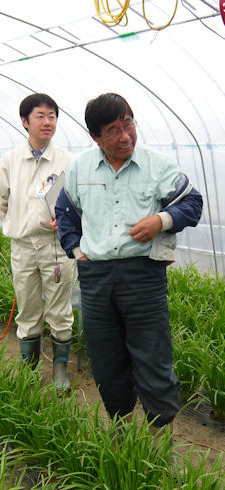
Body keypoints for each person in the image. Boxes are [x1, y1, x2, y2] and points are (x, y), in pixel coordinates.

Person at [55, 93, 203, 433]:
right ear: (95, 137)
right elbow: (65, 212)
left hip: (143, 275)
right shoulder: (79, 168)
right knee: (106, 359)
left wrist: (162, 220)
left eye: (128, 125)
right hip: (95, 278)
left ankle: (158, 431)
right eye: (113, 130)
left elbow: (191, 203)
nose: (125, 136)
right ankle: (120, 427)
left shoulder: (157, 165)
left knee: (152, 355)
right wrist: (77, 251)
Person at [0, 93, 75, 391]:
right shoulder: (11, 161)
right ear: (25, 121)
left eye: (52, 116)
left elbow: (76, 205)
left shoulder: (67, 161)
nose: (47, 122)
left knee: (59, 310)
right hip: (23, 246)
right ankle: (29, 370)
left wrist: (66, 221)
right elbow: (2, 201)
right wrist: (19, 222)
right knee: (28, 309)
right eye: (40, 116)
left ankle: (59, 372)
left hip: (56, 247)